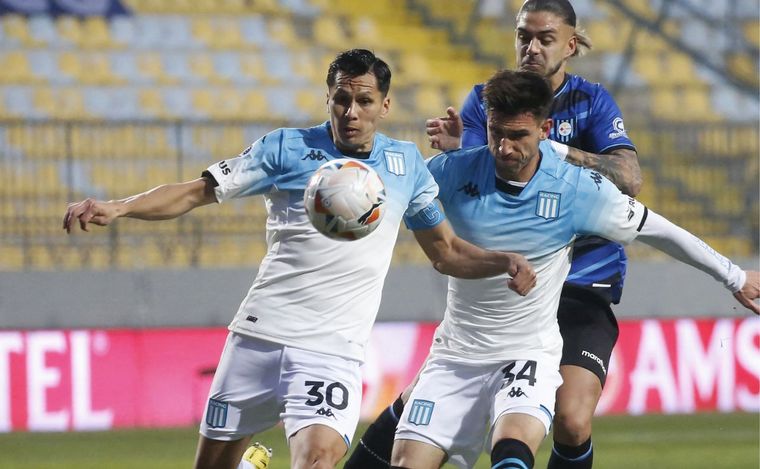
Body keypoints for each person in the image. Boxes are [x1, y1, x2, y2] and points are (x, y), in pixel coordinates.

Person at [62, 49, 536, 469]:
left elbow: (446, 251)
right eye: (341, 99)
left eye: (365, 101)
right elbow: (197, 192)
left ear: (385, 106)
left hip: (331, 351)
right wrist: (119, 207)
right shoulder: (286, 148)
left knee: (318, 459)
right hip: (258, 336)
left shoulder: (405, 165)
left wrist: (502, 261)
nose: (351, 112)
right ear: (328, 99)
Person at [389, 69, 760, 469]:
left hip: (527, 355)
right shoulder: (452, 171)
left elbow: (660, 231)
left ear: (546, 129)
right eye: (497, 133)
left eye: (519, 136)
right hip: (456, 357)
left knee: (512, 451)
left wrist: (734, 276)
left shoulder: (577, 189)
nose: (504, 148)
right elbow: (383, 208)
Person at [346, 2, 642, 467]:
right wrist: (451, 152)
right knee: (420, 399)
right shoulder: (487, 97)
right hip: (504, 286)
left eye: (545, 38)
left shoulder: (591, 103)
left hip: (581, 281)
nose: (531, 47)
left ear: (570, 44)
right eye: (524, 35)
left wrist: (554, 150)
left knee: (572, 419)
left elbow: (629, 178)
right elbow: (477, 175)